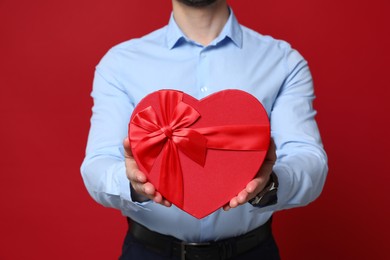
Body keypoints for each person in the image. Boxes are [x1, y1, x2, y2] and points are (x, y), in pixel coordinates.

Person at [81, 0, 328, 259]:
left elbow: (310, 160)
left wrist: (270, 184)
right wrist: (133, 184)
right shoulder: (120, 64)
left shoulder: (284, 62)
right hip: (149, 252)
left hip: (252, 251)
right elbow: (98, 165)